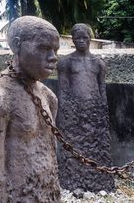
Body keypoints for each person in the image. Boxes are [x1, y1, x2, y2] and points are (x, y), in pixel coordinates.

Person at [0, 16, 61, 202]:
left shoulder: (48, 97)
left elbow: (51, 154)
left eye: (55, 50)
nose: (53, 57)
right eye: (43, 48)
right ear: (17, 45)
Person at [56, 23, 114, 193]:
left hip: (95, 112)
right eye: (77, 38)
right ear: (73, 40)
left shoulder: (99, 64)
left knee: (97, 147)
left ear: (90, 38)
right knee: (75, 147)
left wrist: (102, 113)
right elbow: (63, 91)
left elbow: (102, 90)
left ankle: (101, 181)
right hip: (75, 112)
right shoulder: (65, 63)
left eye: (84, 37)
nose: (81, 41)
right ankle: (74, 182)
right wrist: (67, 114)